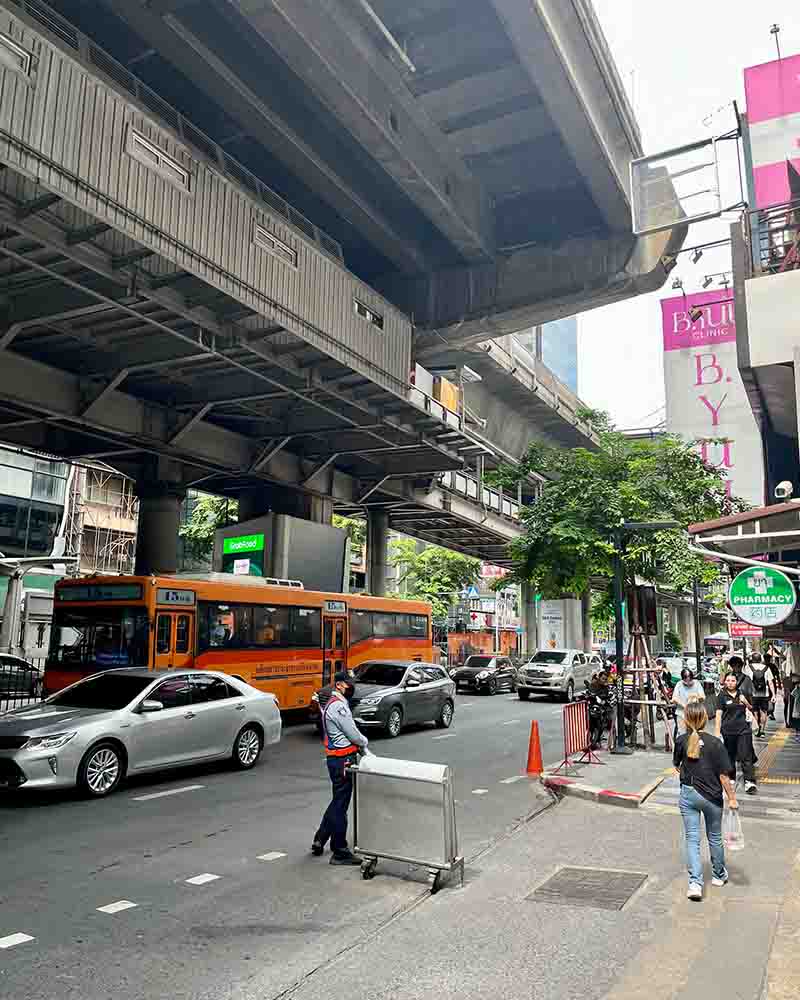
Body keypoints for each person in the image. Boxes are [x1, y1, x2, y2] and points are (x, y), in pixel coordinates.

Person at [675, 700, 738, 901]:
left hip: (689, 794)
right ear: (704, 719)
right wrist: (732, 798)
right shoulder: (715, 743)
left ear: (686, 719)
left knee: (692, 839)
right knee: (714, 837)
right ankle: (719, 875)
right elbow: (723, 775)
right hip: (712, 797)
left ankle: (695, 884)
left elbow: (677, 766)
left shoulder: (681, 740)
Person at [312, 672, 369, 865]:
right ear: (338, 685)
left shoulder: (335, 703)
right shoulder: (337, 706)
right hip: (342, 760)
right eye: (348, 684)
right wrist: (364, 742)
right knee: (340, 805)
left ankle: (320, 837)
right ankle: (340, 850)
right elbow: (352, 733)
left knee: (338, 800)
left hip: (337, 759)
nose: (351, 687)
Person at [716, 671, 758, 795]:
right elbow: (718, 715)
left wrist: (745, 702)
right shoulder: (721, 696)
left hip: (744, 730)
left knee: (745, 755)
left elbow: (750, 707)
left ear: (736, 682)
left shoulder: (741, 693)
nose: (730, 683)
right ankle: (731, 777)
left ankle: (749, 781)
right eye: (728, 680)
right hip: (728, 731)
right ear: (725, 682)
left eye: (733, 680)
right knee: (730, 755)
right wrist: (717, 733)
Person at [671, 667, 705, 737]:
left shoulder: (697, 683)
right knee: (682, 734)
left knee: (695, 733)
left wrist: (696, 697)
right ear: (682, 679)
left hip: (695, 714)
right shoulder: (679, 684)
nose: (688, 683)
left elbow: (703, 697)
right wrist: (685, 705)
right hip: (682, 714)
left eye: (690, 680)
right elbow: (674, 698)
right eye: (686, 681)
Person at [751, 654, 776, 739]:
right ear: (760, 659)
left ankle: (756, 730)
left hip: (753, 694)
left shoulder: (748, 667)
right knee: (764, 712)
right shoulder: (766, 668)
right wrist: (774, 694)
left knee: (755, 712)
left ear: (752, 659)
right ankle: (762, 731)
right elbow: (770, 682)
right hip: (764, 694)